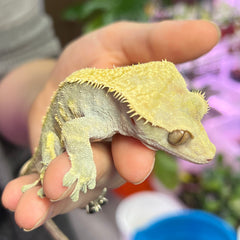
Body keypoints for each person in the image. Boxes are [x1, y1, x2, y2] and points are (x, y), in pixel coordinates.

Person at [0, 18, 220, 236]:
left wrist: (32, 99)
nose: (205, 149)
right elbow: (73, 130)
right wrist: (83, 164)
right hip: (48, 143)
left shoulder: (123, 112)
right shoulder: (105, 122)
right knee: (51, 179)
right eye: (178, 136)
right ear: (136, 120)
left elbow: (19, 56)